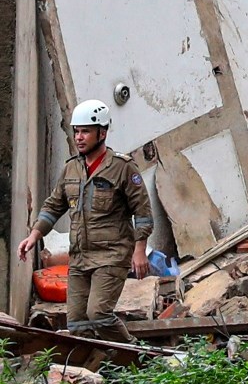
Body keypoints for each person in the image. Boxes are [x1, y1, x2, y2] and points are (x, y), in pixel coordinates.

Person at [18, 100, 153, 343]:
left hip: (111, 255)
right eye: (76, 131)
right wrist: (34, 235)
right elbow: (53, 205)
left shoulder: (122, 168)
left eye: (85, 131)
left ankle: (138, 359)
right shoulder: (71, 169)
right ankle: (106, 367)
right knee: (78, 323)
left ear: (102, 133)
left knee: (98, 314)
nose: (79, 137)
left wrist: (139, 250)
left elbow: (142, 211)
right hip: (80, 257)